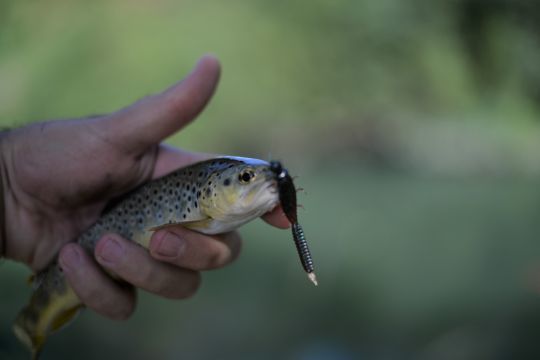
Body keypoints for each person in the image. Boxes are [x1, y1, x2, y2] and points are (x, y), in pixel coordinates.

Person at [0, 55, 289, 319]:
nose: (263, 181)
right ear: (210, 192)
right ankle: (33, 323)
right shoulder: (205, 207)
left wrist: (8, 186)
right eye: (246, 178)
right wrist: (7, 179)